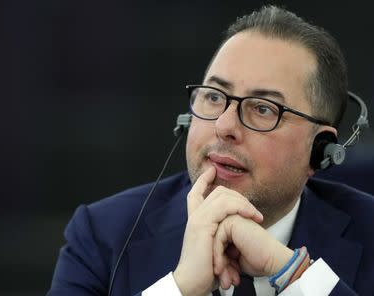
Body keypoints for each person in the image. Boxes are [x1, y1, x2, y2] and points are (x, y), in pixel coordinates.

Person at [47, 5, 374, 296]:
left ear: (320, 149)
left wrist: (291, 273)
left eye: (262, 108)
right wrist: (180, 288)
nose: (224, 126)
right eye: (215, 97)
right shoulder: (102, 235)